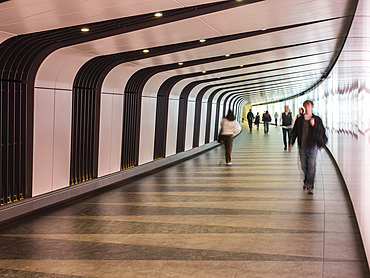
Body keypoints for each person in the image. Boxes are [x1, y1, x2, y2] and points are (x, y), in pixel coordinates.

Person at [289, 100, 327, 194]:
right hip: (302, 146)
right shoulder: (299, 119)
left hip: (312, 146)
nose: (307, 107)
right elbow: (295, 132)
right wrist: (291, 142)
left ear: (311, 107)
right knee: (304, 166)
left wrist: (314, 125)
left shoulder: (317, 119)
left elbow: (321, 132)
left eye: (308, 106)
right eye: (305, 106)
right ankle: (306, 180)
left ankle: (310, 185)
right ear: (304, 107)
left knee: (312, 165)